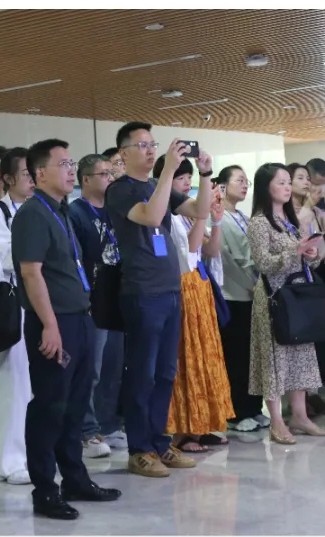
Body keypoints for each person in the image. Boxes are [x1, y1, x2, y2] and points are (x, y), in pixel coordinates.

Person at [13, 139, 122, 522]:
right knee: (50, 408)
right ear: (40, 173)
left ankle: (75, 479)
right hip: (54, 322)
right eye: (63, 164)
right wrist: (49, 326)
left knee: (75, 407)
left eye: (72, 162)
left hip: (79, 318)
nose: (71, 170)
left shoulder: (60, 210)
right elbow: (31, 273)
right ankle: (45, 490)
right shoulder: (33, 213)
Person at [106, 124, 213, 479]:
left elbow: (200, 210)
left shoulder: (157, 185)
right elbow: (151, 217)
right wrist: (168, 169)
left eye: (152, 144)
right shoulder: (120, 190)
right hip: (142, 292)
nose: (150, 150)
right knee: (143, 373)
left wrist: (205, 175)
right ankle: (140, 449)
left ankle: (159, 441)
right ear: (123, 153)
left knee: (166, 372)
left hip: (170, 289)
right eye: (142, 145)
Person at [246, 163, 325, 445]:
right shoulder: (260, 222)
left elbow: (301, 258)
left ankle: (300, 416)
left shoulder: (289, 219)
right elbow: (263, 263)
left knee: (300, 354)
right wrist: (295, 251)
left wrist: (309, 255)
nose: (286, 187)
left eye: (287, 182)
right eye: (280, 182)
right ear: (266, 187)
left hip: (296, 294)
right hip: (274, 297)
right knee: (276, 358)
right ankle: (277, 421)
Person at [152, 156, 232, 453]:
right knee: (186, 359)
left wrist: (216, 220)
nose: (186, 183)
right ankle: (183, 430)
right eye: (181, 177)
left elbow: (211, 250)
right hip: (182, 287)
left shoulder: (187, 213)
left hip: (200, 288)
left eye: (189, 177)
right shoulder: (169, 213)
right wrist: (203, 215)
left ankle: (203, 423)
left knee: (205, 358)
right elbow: (191, 248)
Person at [69, 153, 124, 457]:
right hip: (92, 300)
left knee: (114, 367)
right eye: (103, 174)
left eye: (111, 174)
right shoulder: (76, 212)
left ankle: (108, 424)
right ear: (86, 179)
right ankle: (86, 431)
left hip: (117, 298)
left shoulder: (116, 210)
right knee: (92, 369)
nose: (110, 179)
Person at [0, 146, 33, 486]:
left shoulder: (39, 209)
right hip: (14, 303)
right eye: (27, 174)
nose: (32, 180)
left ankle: (29, 453)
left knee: (33, 386)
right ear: (9, 178)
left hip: (39, 303)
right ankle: (7, 460)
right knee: (11, 383)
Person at [289, 161, 325, 414]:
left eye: (307, 179)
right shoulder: (290, 212)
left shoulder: (315, 208)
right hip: (304, 276)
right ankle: (314, 390)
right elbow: (298, 237)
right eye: (301, 178)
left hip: (324, 272)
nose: (307, 183)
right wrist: (309, 207)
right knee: (311, 333)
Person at [216, 166, 264, 431]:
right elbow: (227, 260)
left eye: (247, 181)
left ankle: (253, 408)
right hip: (232, 295)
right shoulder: (217, 217)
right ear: (222, 186)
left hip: (252, 294)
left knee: (252, 356)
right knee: (235, 356)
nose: (245, 185)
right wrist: (252, 284)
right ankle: (235, 413)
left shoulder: (244, 217)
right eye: (239, 180)